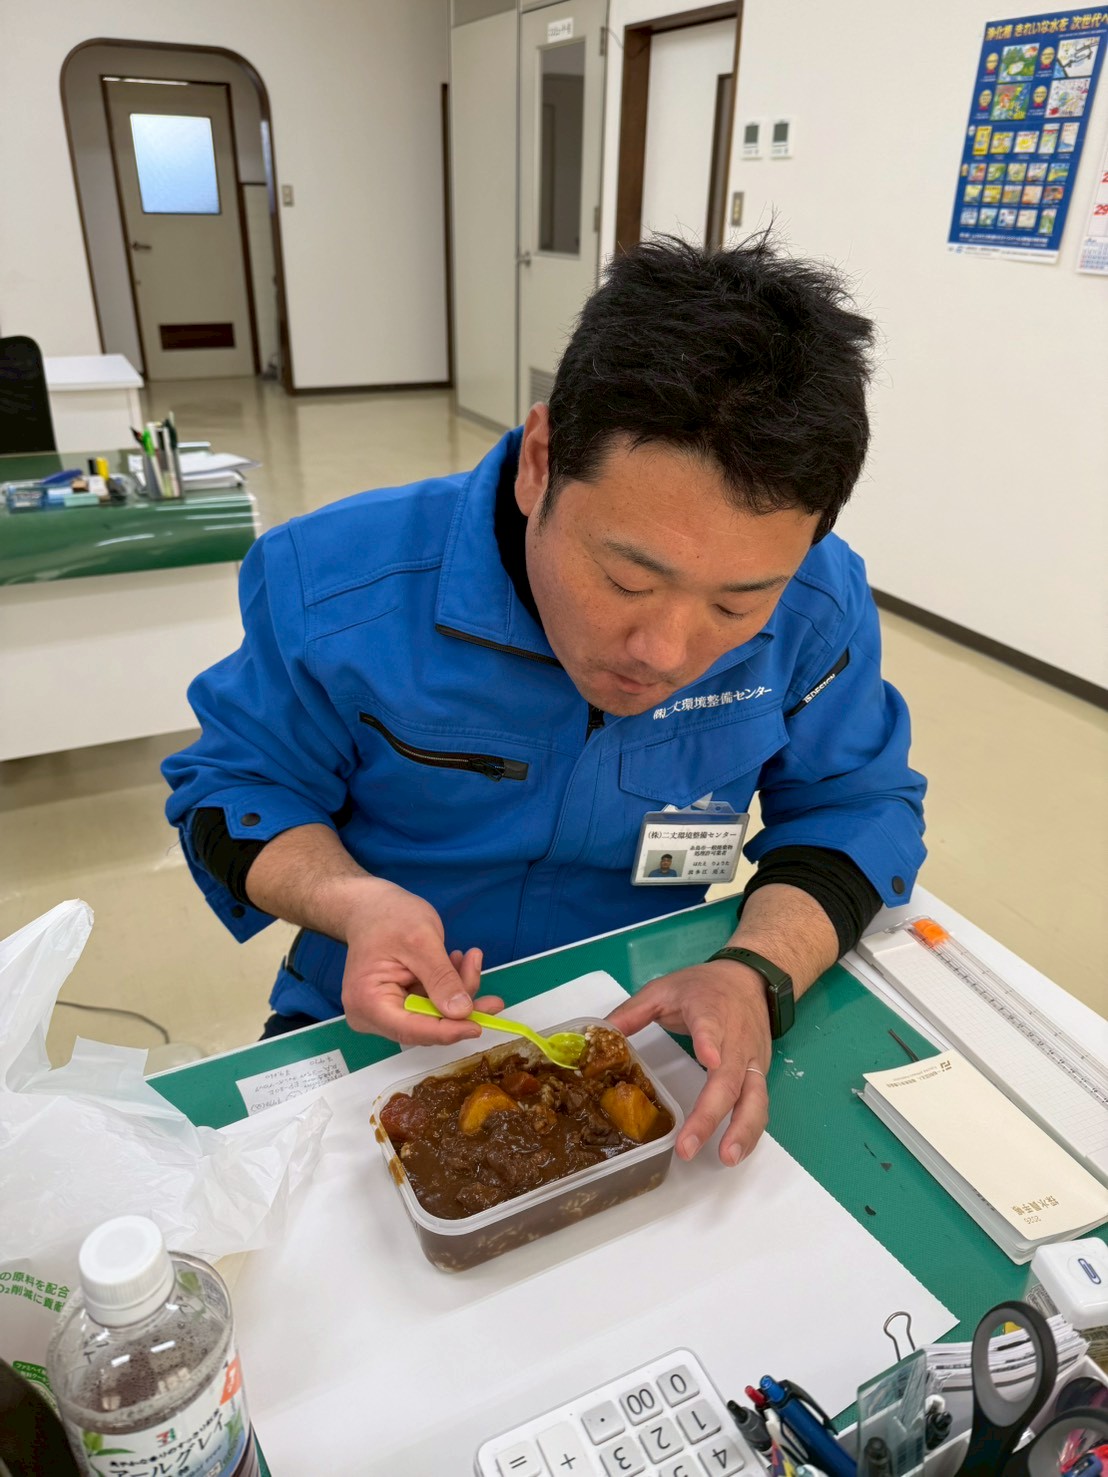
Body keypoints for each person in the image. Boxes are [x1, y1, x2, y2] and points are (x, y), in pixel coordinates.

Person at [163, 235, 926, 1169]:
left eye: (735, 606)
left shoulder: (817, 601)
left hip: (643, 1018)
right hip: (370, 1012)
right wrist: (351, 902)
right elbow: (234, 790)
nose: (664, 653)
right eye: (626, 578)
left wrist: (757, 969)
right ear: (539, 462)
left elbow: (858, 806)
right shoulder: (333, 583)